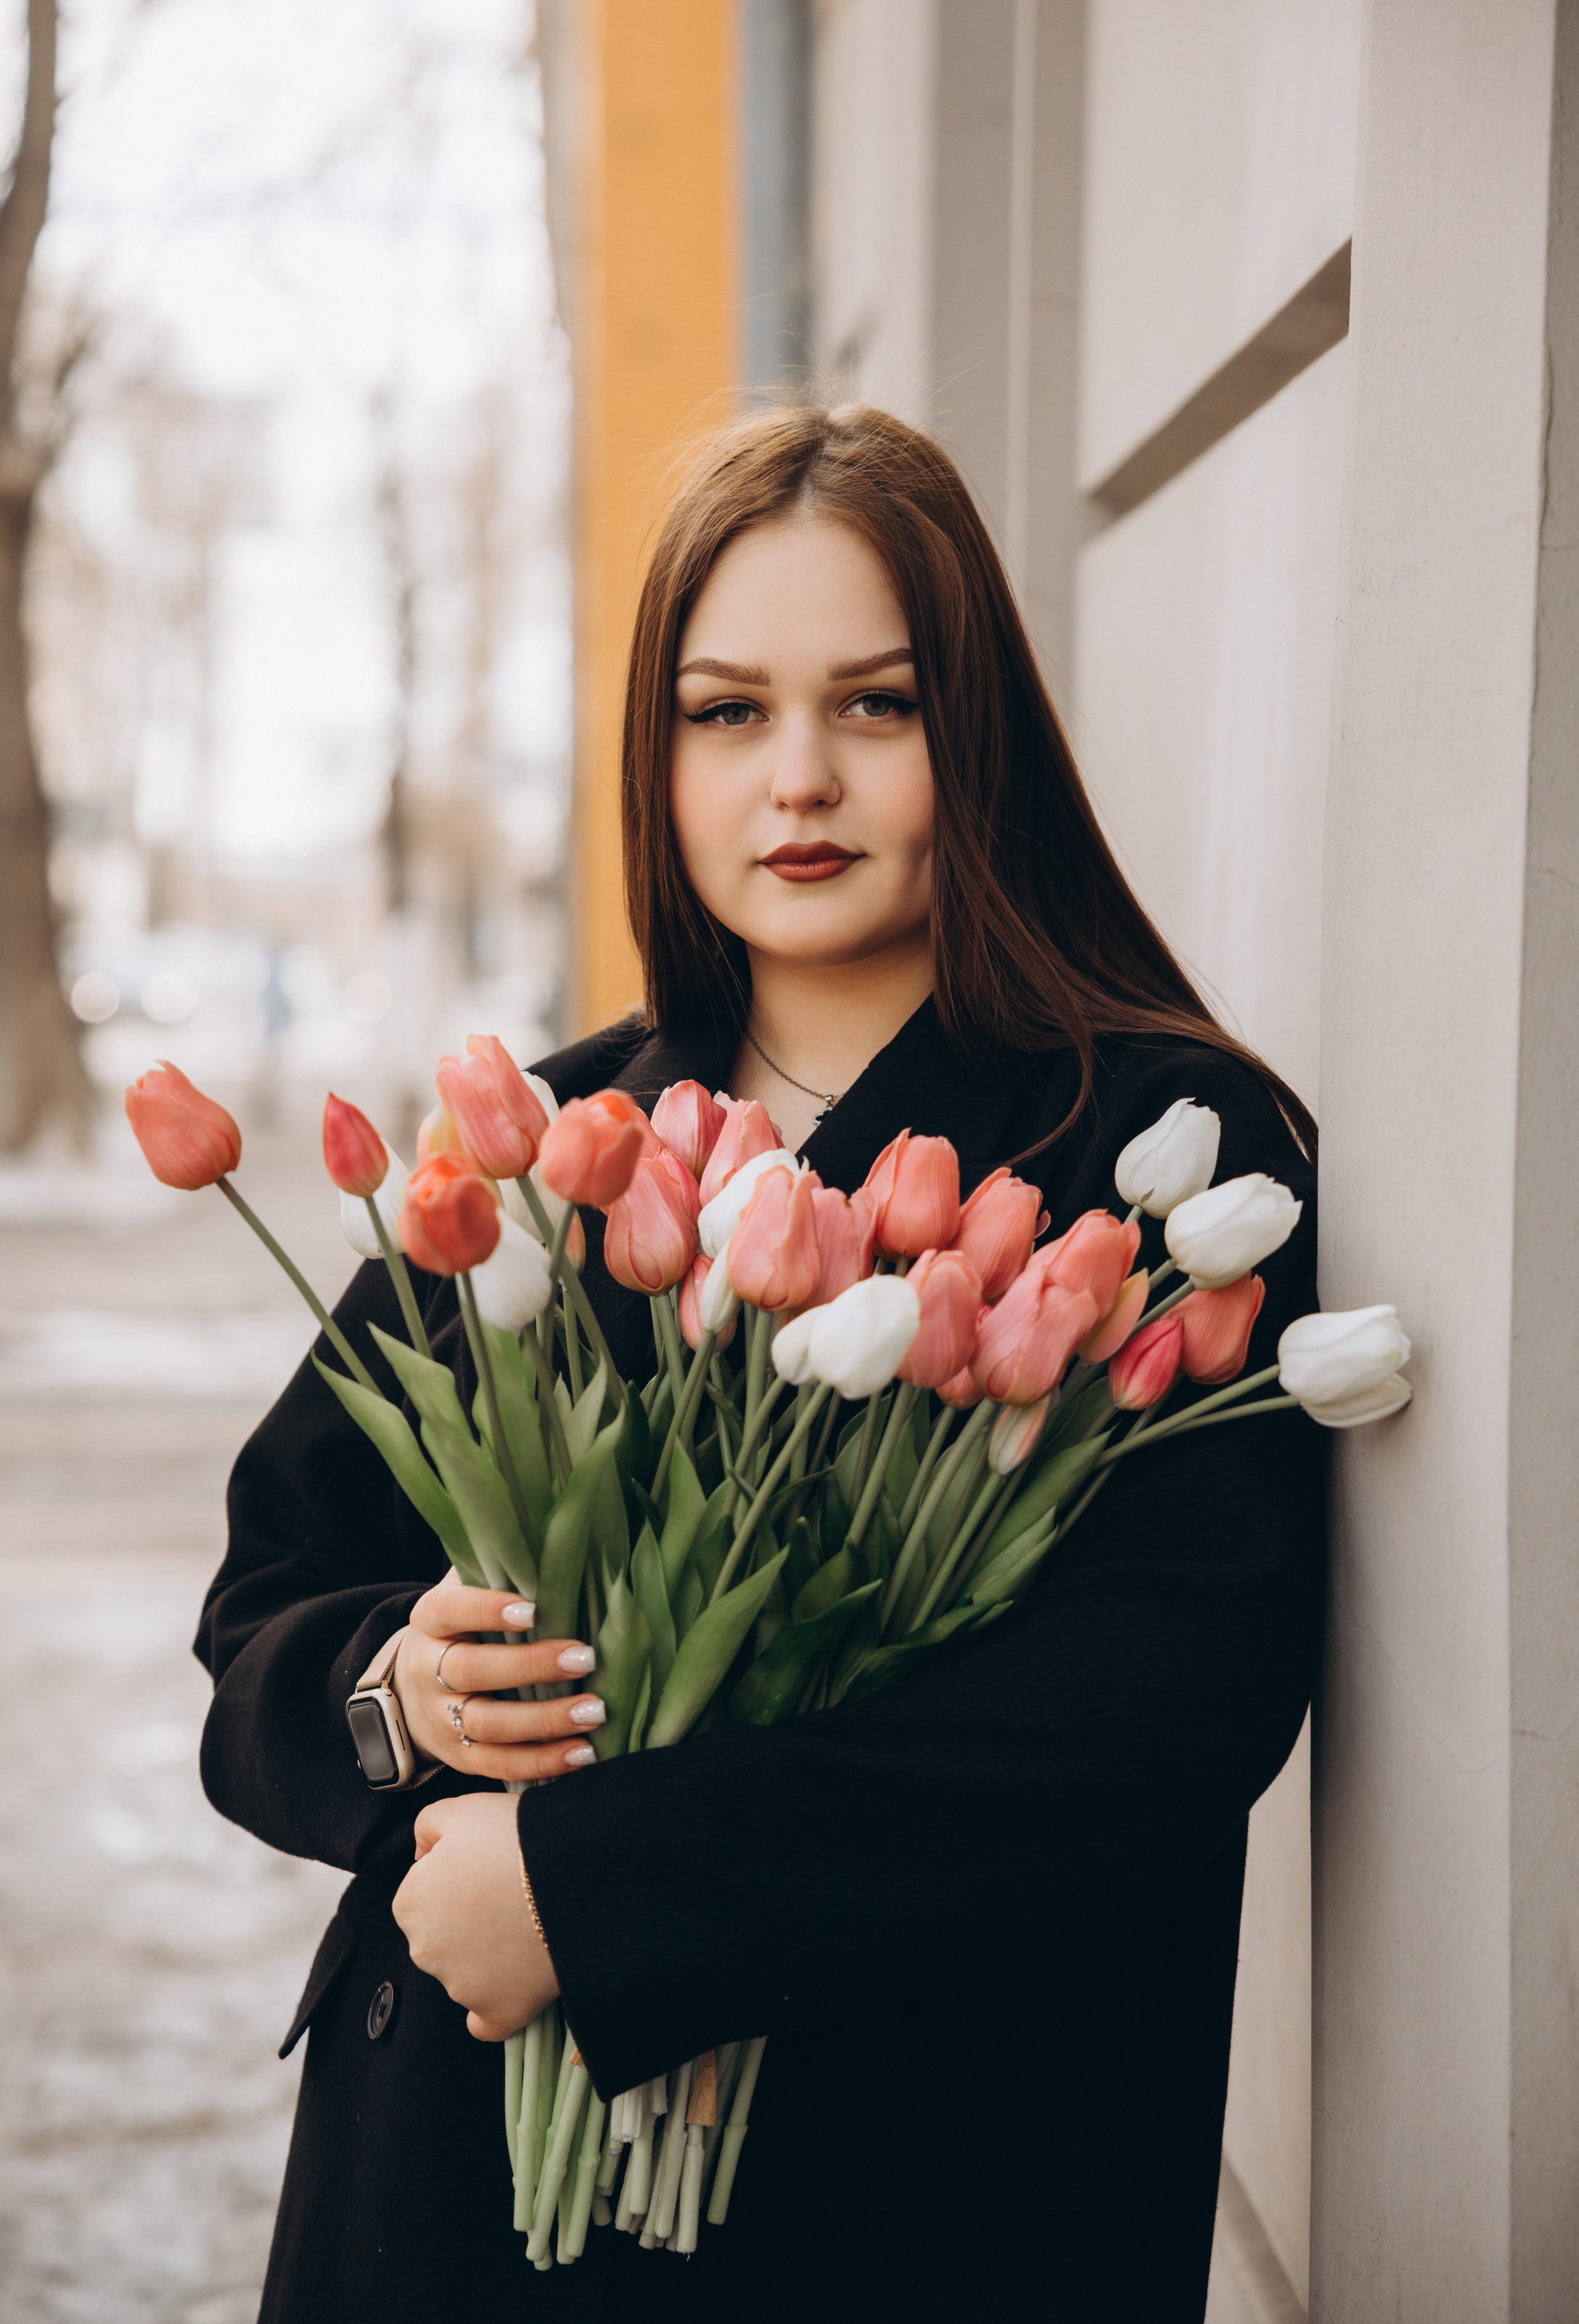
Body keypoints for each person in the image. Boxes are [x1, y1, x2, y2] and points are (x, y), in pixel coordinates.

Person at [197, 403, 1324, 2323]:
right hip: (450, 2199)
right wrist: (400, 1692)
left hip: (915, 2195)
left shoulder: (1150, 1149)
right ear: (659, 754)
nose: (797, 778)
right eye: (727, 714)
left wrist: (598, 1895)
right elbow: (262, 1620)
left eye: (873, 705)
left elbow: (1165, 1699)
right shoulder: (550, 1154)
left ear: (974, 732)